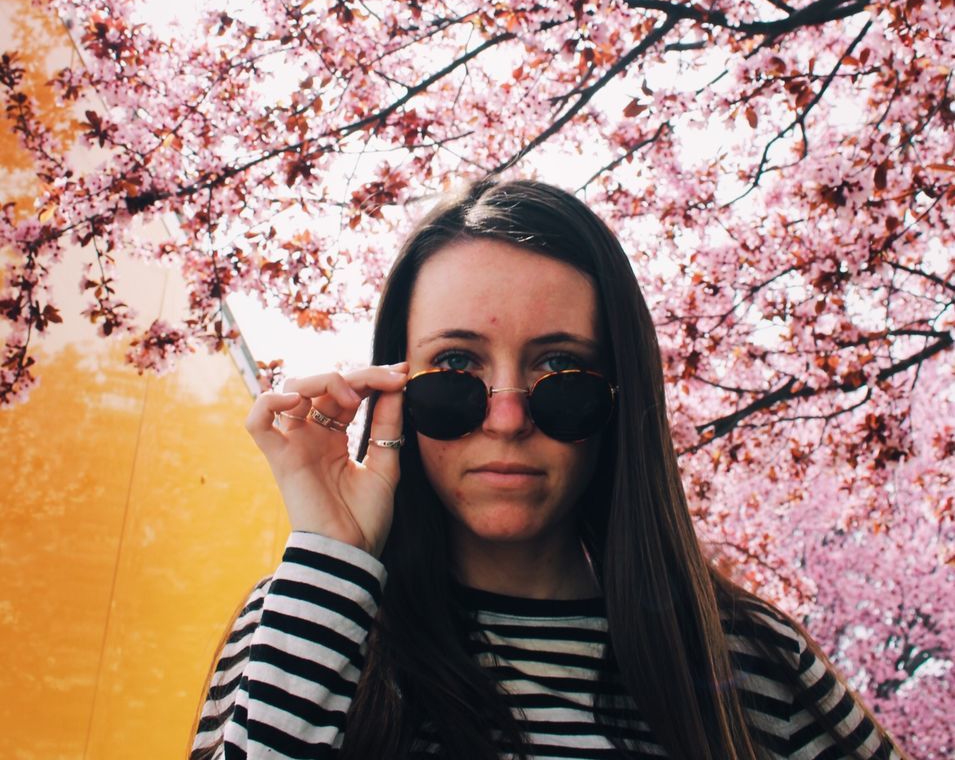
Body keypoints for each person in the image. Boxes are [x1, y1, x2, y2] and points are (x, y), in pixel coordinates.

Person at [191, 178, 907, 760]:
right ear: (393, 391)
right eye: (454, 369)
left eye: (561, 369)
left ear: (618, 396)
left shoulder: (748, 662)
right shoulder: (308, 623)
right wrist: (332, 558)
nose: (506, 419)